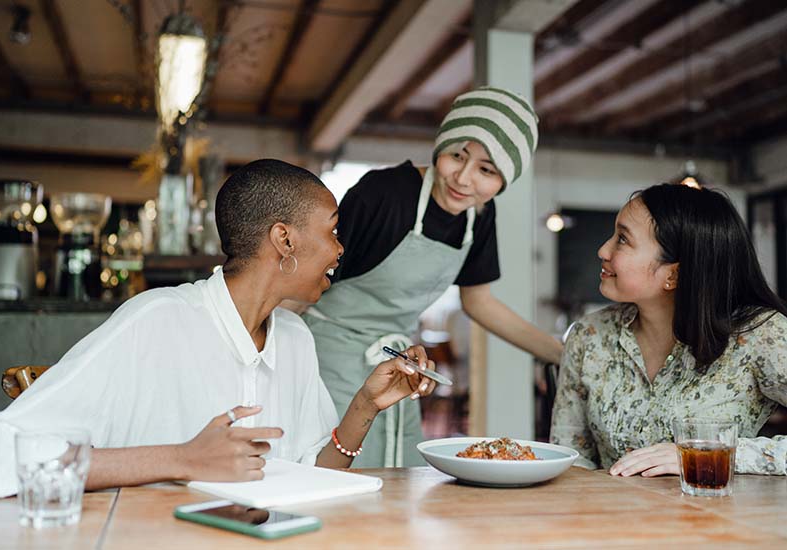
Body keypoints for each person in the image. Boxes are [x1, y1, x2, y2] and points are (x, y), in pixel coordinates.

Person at [0, 159, 438, 502]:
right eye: (332, 230)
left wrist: (365, 405)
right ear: (284, 239)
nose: (340, 249)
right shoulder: (157, 320)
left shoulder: (294, 337)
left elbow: (310, 478)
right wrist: (180, 459)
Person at [303, 87, 563, 467]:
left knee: (399, 472)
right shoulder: (383, 193)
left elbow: (479, 302)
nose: (464, 179)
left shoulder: (479, 218)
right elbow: (309, 278)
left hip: (397, 360)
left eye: (486, 170)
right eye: (458, 155)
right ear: (441, 146)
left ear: (503, 182)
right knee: (337, 471)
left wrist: (562, 355)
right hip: (329, 358)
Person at [550, 183, 787, 476]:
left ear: (673, 274)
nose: (603, 250)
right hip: (611, 519)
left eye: (622, 239)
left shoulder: (760, 335)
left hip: (718, 519)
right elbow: (571, 460)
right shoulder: (589, 336)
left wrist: (705, 455)